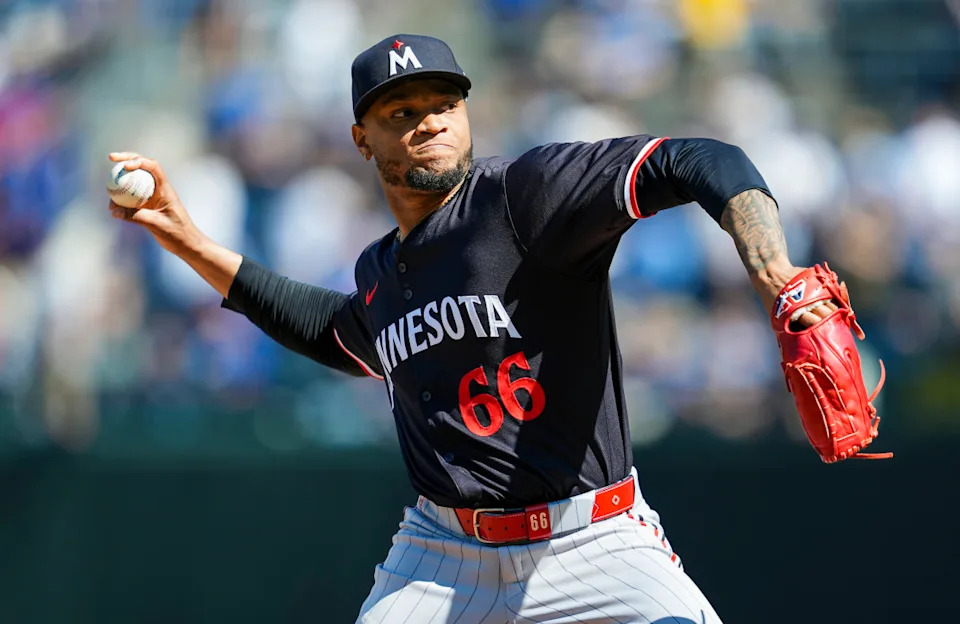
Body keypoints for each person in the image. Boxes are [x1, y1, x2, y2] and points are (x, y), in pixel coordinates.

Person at [108, 33, 836, 624]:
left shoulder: (526, 197)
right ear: (363, 140)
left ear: (466, 115)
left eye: (441, 103)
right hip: (442, 554)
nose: (427, 120)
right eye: (400, 111)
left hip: (593, 539)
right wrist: (185, 238)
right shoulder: (380, 270)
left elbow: (700, 159)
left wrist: (774, 272)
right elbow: (333, 330)